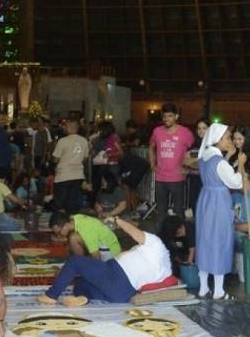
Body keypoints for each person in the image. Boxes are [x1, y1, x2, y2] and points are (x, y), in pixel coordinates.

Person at [37, 216, 172, 307]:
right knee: (81, 283)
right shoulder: (167, 269)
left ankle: (51, 295)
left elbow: (134, 233)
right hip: (122, 294)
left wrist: (118, 220)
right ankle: (84, 298)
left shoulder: (155, 242)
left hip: (115, 274)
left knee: (75, 262)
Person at [194, 123, 243, 300]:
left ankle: (203, 288)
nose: (230, 140)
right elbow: (236, 183)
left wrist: (229, 157)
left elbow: (217, 172)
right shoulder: (220, 163)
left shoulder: (203, 157)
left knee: (204, 240)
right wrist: (241, 167)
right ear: (218, 139)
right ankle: (219, 291)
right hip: (219, 203)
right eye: (228, 137)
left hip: (205, 200)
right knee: (220, 241)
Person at [148, 103, 193, 220]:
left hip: (177, 179)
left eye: (170, 116)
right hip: (160, 178)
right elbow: (151, 147)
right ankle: (161, 236)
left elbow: (195, 152)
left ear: (176, 116)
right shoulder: (157, 131)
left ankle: (181, 238)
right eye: (164, 116)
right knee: (161, 211)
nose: (166, 119)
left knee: (178, 211)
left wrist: (188, 168)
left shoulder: (185, 132)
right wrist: (152, 164)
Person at [52, 118, 89, 213]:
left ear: (69, 127)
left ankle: (58, 221)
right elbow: (85, 158)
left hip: (64, 175)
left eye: (65, 126)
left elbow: (55, 159)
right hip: (78, 175)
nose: (64, 128)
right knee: (72, 201)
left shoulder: (62, 141)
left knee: (60, 201)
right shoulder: (84, 141)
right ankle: (71, 222)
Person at [50, 210, 122, 258]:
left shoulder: (85, 229)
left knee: (73, 238)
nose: (58, 236)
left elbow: (96, 256)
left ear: (65, 225)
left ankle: (80, 263)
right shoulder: (75, 218)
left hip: (111, 254)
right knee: (71, 244)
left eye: (59, 233)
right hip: (105, 246)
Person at [90, 120, 123, 198]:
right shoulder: (102, 138)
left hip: (112, 164)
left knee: (113, 184)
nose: (100, 131)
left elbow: (121, 152)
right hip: (104, 164)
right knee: (104, 184)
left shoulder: (113, 137)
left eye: (101, 129)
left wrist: (110, 154)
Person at [185, 118, 210, 217]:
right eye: (199, 128)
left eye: (204, 128)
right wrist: (197, 161)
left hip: (207, 182)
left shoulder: (214, 146)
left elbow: (207, 165)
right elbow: (185, 161)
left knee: (206, 210)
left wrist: (195, 161)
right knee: (196, 208)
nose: (201, 131)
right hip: (194, 181)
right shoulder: (194, 145)